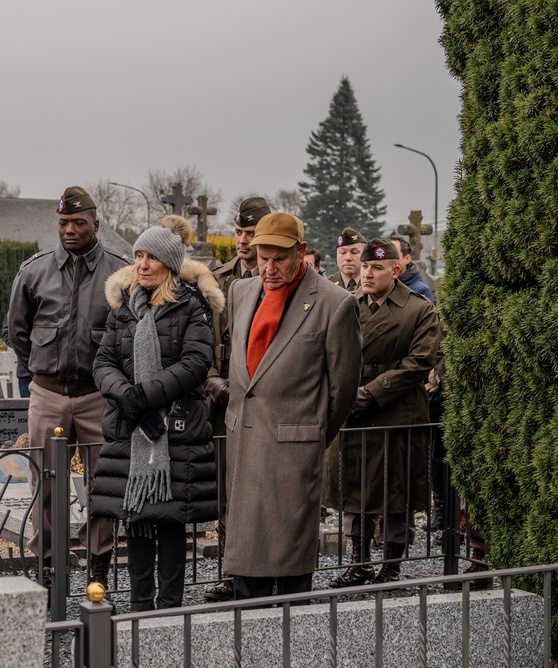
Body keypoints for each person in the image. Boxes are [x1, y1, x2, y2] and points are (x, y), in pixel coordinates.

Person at [223, 213, 362, 601]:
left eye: (278, 259)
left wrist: (309, 432)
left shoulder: (335, 305)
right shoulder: (241, 292)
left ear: (300, 252)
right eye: (261, 259)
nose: (268, 269)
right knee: (245, 575)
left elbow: (342, 391)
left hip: (292, 454)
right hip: (243, 444)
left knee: (289, 576)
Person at [89, 216, 221, 611]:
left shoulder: (190, 307)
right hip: (130, 427)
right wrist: (127, 396)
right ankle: (140, 605)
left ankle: (169, 608)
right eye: (138, 256)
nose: (142, 264)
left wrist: (143, 396)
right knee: (137, 519)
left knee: (169, 520)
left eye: (151, 258)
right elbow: (103, 361)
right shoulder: (125, 308)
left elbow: (197, 362)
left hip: (174, 428)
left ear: (169, 263)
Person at [7, 186, 129, 590]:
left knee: (103, 484)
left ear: (96, 224)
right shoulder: (35, 271)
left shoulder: (120, 273)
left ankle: (98, 567)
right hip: (48, 393)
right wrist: (39, 374)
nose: (71, 230)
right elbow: (18, 331)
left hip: (98, 395)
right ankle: (47, 568)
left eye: (79, 223)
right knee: (46, 483)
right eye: (64, 223)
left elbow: (128, 336)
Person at [325, 238, 441, 587]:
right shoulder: (347, 306)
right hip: (353, 410)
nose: (368, 273)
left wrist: (374, 393)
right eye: (365, 267)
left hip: (396, 411)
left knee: (396, 492)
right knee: (355, 490)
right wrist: (346, 393)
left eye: (376, 267)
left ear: (396, 269)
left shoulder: (419, 309)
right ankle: (358, 563)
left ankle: (392, 565)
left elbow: (419, 362)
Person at [201, 196, 269, 602]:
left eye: (250, 234)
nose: (242, 241)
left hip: (267, 402)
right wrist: (213, 381)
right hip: (224, 404)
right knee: (228, 492)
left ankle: (269, 571)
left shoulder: (283, 279)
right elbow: (202, 342)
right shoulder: (217, 280)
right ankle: (231, 572)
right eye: (240, 233)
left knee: (268, 489)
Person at [389, 235, 436, 303]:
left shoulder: (420, 291)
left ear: (407, 258)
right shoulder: (380, 286)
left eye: (393, 254)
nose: (389, 259)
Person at [328, 227, 365, 291]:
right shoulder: (326, 285)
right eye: (342, 253)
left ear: (364, 255)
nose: (348, 258)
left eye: (354, 252)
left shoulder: (375, 285)